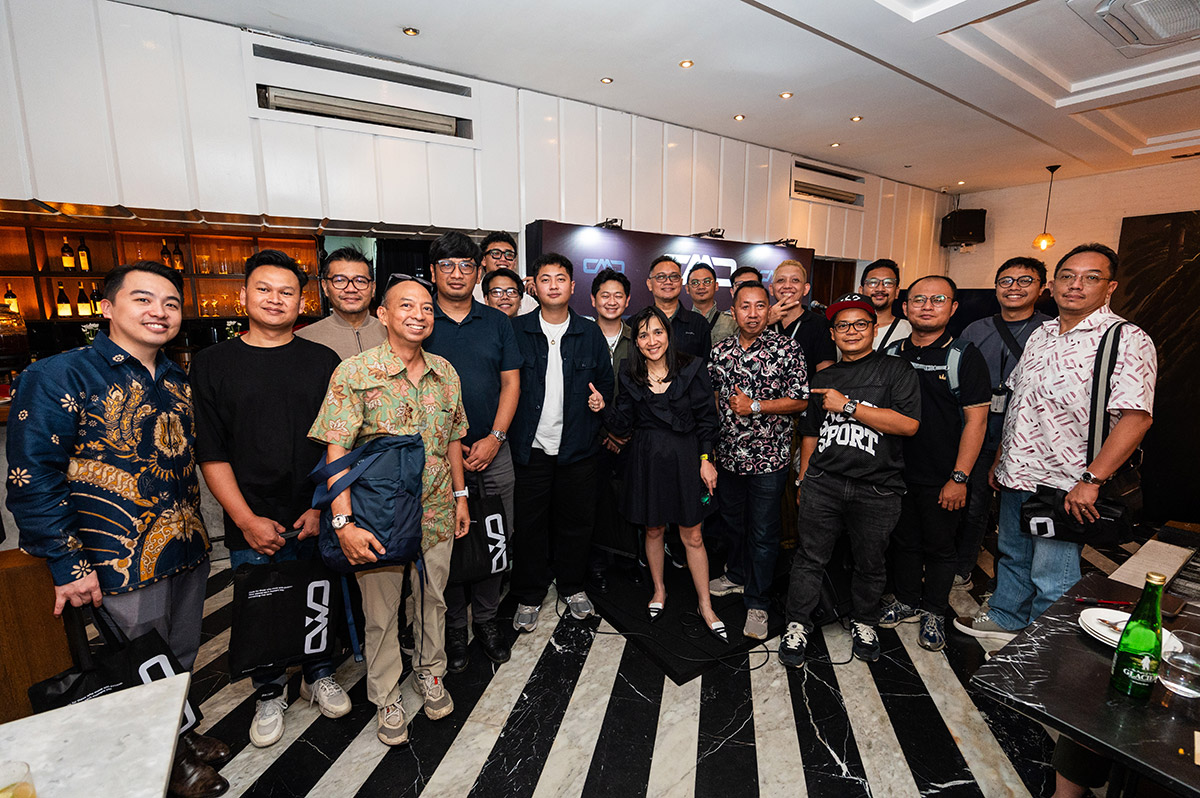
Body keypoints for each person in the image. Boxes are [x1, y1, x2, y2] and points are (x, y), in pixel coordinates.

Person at [6, 261, 227, 798]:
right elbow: (33, 476)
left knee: (178, 656)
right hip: (115, 559)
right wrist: (68, 563)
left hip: (184, 547)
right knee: (136, 668)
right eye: (143, 299)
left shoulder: (177, 378)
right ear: (108, 307)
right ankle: (164, 765)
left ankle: (181, 736)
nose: (159, 312)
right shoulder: (61, 375)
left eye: (170, 303)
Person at [955, 243, 1156, 642]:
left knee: (1053, 570)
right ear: (1053, 285)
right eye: (1067, 276)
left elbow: (1136, 418)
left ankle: (1046, 645)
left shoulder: (1125, 338)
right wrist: (1000, 459)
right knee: (1013, 553)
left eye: (1090, 277)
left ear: (1110, 287)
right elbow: (1020, 401)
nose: (1075, 285)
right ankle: (1008, 617)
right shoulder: (1042, 334)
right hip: (1018, 471)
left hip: (1067, 481)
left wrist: (1092, 480)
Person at [192, 250, 351, 748]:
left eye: (287, 292)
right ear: (244, 295)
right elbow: (211, 452)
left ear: (302, 301)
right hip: (251, 512)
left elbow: (337, 442)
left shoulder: (322, 361)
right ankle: (268, 689)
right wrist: (245, 520)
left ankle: (319, 673)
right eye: (264, 289)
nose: (275, 299)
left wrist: (320, 506)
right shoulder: (213, 363)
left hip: (314, 508)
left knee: (318, 595)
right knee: (261, 603)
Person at [309, 274, 471, 747]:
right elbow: (336, 451)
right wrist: (343, 522)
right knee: (381, 613)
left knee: (433, 600)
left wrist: (461, 497)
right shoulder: (355, 373)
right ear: (383, 314)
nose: (419, 315)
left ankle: (431, 673)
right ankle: (386, 696)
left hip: (437, 510)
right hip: (378, 516)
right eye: (406, 306)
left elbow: (454, 438)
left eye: (427, 308)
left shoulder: (445, 372)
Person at [778, 293, 921, 667]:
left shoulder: (896, 370)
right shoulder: (824, 377)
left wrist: (849, 406)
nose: (851, 331)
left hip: (877, 488)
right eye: (843, 325)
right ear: (832, 333)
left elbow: (908, 425)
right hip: (823, 483)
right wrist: (803, 480)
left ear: (874, 329)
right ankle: (797, 624)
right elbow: (810, 433)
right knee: (809, 558)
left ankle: (864, 622)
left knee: (869, 562)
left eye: (860, 324)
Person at [591, 306, 726, 639]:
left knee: (693, 535)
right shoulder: (630, 373)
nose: (651, 341)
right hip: (647, 458)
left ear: (668, 333)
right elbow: (623, 423)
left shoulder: (692, 367)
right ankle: (659, 591)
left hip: (686, 457)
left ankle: (706, 604)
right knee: (653, 530)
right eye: (643, 335)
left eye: (657, 332)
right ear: (636, 342)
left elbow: (707, 420)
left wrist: (706, 459)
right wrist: (602, 408)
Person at [423, 232, 521, 673]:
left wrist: (495, 438)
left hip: (493, 448)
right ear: (433, 272)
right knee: (449, 541)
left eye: (466, 265)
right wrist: (450, 446)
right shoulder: (423, 320)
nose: (457, 273)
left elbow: (511, 383)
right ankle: (455, 627)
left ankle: (486, 620)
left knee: (496, 537)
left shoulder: (497, 321)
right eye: (447, 265)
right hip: (437, 457)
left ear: (479, 272)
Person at [877, 276, 990, 651]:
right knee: (904, 541)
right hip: (895, 472)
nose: (927, 306)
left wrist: (959, 477)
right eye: (918, 300)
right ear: (905, 307)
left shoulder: (964, 356)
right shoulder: (892, 354)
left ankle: (934, 612)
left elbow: (977, 422)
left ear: (953, 308)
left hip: (943, 475)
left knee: (940, 547)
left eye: (937, 299)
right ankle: (907, 600)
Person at [509, 253, 614, 631]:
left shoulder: (589, 333)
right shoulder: (517, 330)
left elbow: (606, 384)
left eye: (560, 279)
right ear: (533, 286)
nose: (553, 285)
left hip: (578, 448)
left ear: (572, 286)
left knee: (577, 523)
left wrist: (600, 401)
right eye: (545, 278)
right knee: (529, 526)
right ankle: (529, 594)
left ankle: (572, 586)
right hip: (530, 448)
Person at [707, 281, 808, 639]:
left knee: (764, 532)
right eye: (745, 306)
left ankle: (758, 603)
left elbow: (801, 400)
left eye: (760, 306)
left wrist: (755, 406)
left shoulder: (787, 348)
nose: (752, 313)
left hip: (769, 460)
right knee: (732, 523)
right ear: (733, 312)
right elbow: (714, 398)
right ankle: (736, 574)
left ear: (769, 310)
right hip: (729, 457)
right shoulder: (721, 352)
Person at [954, 257, 1050, 588]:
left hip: (1029, 435)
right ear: (996, 288)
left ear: (1042, 288)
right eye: (1006, 281)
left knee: (1019, 511)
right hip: (979, 426)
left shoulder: (1050, 331)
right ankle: (963, 566)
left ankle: (1016, 583)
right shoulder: (975, 329)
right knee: (974, 502)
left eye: (1025, 281)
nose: (1014, 288)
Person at [589, 268, 634, 590]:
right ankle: (597, 564)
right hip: (593, 437)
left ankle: (629, 561)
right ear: (593, 299)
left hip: (631, 437)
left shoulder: (638, 338)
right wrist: (606, 434)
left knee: (630, 500)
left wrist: (624, 434)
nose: (611, 301)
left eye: (618, 295)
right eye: (605, 295)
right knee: (595, 503)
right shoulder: (581, 335)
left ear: (628, 300)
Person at [297, 246, 387, 359]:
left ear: (373, 288)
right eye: (340, 280)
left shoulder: (395, 334)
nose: (351, 289)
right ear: (325, 287)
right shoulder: (303, 340)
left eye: (360, 281)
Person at [766, 259, 836, 376]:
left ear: (806, 289)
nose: (787, 286)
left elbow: (825, 376)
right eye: (781, 280)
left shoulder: (820, 324)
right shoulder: (758, 324)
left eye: (795, 280)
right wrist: (765, 322)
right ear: (771, 289)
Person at [646, 255, 712, 360]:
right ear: (649, 284)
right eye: (661, 277)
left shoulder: (699, 323)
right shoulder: (637, 323)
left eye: (674, 277)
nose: (668, 282)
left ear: (681, 283)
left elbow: (705, 365)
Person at [472, 231, 538, 315]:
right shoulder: (471, 294)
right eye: (496, 253)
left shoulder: (526, 301)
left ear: (515, 262)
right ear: (483, 260)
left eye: (509, 254)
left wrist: (540, 290)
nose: (503, 259)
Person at [859, 259, 911, 351]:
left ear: (897, 292)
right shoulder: (845, 328)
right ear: (861, 291)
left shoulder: (909, 330)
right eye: (873, 282)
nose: (880, 288)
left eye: (888, 283)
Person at [685, 262, 737, 343]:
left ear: (716, 286)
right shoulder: (681, 323)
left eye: (707, 282)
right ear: (687, 288)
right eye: (695, 283)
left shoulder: (731, 322)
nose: (701, 287)